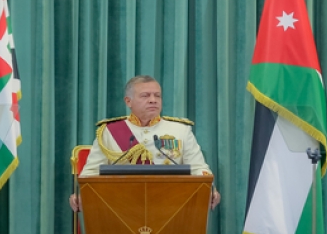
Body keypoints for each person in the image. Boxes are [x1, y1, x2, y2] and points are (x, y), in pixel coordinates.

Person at [69, 75, 220, 211]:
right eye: (145, 96)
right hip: (121, 208)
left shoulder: (180, 130)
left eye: (157, 95)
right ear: (128, 101)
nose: (153, 100)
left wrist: (210, 189)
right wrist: (81, 195)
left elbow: (198, 168)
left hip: (171, 206)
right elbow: (91, 173)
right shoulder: (109, 132)